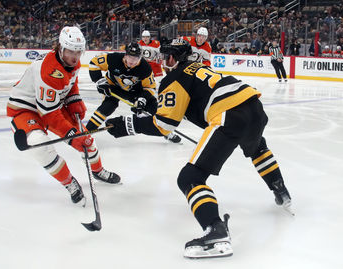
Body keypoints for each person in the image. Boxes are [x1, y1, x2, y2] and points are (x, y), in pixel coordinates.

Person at [105, 38, 292, 259]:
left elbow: (164, 125)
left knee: (189, 178)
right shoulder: (199, 68)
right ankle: (280, 190)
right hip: (254, 106)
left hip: (228, 114)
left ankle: (215, 230)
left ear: (172, 59)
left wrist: (126, 126)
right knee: (258, 147)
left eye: (166, 57)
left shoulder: (173, 78)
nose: (163, 61)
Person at [6, 26, 121, 205]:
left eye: (79, 52)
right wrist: (70, 135)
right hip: (26, 109)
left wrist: (74, 99)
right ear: (61, 47)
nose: (75, 57)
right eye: (70, 52)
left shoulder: (72, 62)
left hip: (52, 104)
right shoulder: (48, 70)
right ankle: (69, 182)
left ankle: (98, 170)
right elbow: (49, 114)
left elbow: (70, 83)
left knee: (87, 140)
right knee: (39, 145)